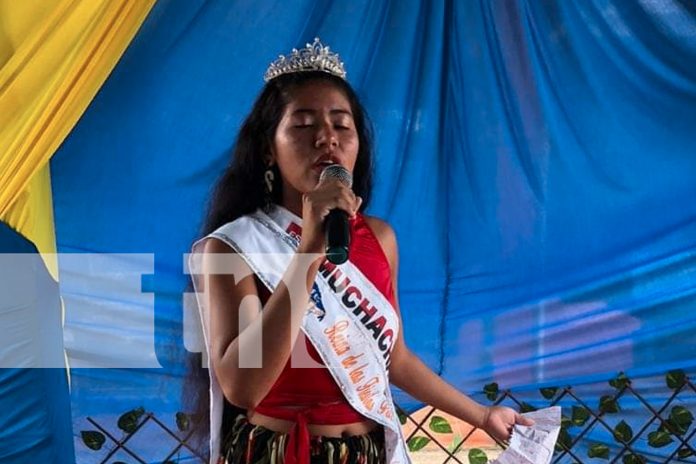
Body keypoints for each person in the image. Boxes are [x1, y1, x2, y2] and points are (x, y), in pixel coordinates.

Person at [189, 38, 533, 464]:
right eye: (303, 124)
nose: (326, 139)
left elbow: (396, 358)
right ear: (267, 148)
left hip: (367, 450)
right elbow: (244, 386)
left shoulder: (379, 237)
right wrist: (309, 252)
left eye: (341, 125)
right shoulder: (229, 248)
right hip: (282, 452)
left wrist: (482, 415)